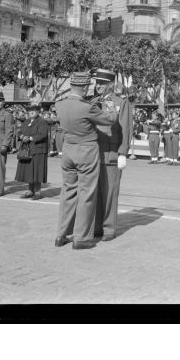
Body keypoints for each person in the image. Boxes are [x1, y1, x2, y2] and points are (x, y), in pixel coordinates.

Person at [55, 72, 118, 250]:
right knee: (86, 194)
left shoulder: (59, 105)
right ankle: (81, 237)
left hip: (68, 150)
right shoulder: (86, 107)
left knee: (68, 192)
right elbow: (111, 119)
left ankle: (62, 234)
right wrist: (110, 105)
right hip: (86, 151)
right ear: (84, 87)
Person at [92, 69, 133, 242]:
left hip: (111, 153)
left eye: (102, 83)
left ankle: (108, 228)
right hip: (94, 154)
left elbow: (126, 127)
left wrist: (123, 152)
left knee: (109, 192)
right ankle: (96, 226)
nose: (98, 86)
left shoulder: (121, 103)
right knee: (95, 193)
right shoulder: (93, 102)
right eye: (97, 83)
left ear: (110, 84)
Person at [15, 103, 49, 200]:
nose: (31, 112)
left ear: (38, 111)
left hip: (38, 150)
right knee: (30, 171)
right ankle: (30, 191)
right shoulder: (26, 121)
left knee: (37, 171)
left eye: (33, 110)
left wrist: (30, 138)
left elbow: (43, 134)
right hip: (28, 149)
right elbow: (19, 131)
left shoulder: (42, 122)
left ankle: (37, 192)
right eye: (29, 111)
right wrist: (21, 136)